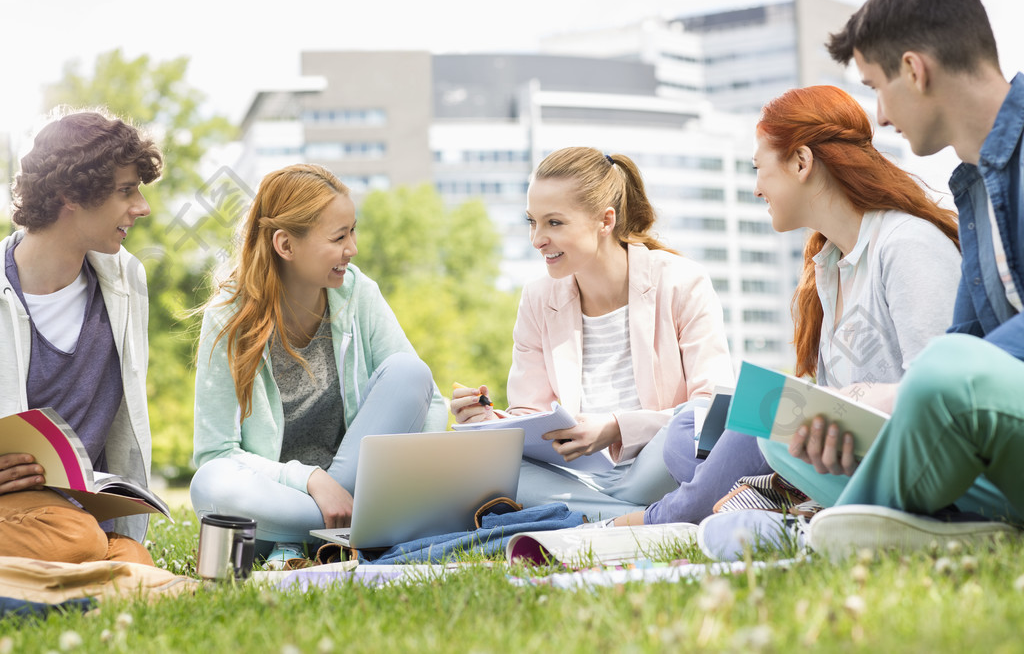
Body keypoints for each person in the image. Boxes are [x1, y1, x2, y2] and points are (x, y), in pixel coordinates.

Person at [618, 84, 964, 536]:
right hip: (848, 462)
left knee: (764, 419)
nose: (758, 188)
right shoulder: (829, 267)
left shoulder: (907, 247)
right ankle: (745, 499)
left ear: (801, 162)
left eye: (760, 169)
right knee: (686, 436)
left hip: (916, 471)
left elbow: (945, 403)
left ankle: (652, 519)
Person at [769, 0, 1024, 555]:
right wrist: (871, 406)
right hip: (1000, 431)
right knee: (789, 436)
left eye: (877, 87)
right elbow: (963, 339)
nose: (880, 117)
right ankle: (950, 525)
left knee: (944, 369)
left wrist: (904, 395)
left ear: (915, 69)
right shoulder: (976, 187)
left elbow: (954, 363)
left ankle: (855, 528)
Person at [451, 147, 735, 520]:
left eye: (554, 223)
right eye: (532, 222)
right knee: (481, 466)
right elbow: (531, 414)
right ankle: (638, 519)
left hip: (658, 464)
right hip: (582, 477)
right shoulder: (539, 299)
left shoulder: (682, 281)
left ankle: (590, 516)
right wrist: (491, 424)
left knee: (687, 427)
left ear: (605, 220)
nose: (537, 239)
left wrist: (616, 428)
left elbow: (711, 412)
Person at [189, 164, 447, 567]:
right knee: (210, 484)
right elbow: (216, 452)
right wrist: (309, 479)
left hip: (359, 486)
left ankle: (321, 539)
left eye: (353, 231)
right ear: (285, 245)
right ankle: (354, 532)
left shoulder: (358, 293)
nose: (353, 249)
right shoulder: (228, 318)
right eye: (339, 237)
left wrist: (423, 487)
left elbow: (424, 401)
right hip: (278, 502)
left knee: (410, 372)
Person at [0, 109, 162, 564]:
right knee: (80, 541)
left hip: (83, 513)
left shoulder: (127, 279)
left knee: (133, 560)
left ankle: (49, 578)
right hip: (17, 509)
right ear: (71, 193)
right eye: (125, 191)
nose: (142, 207)